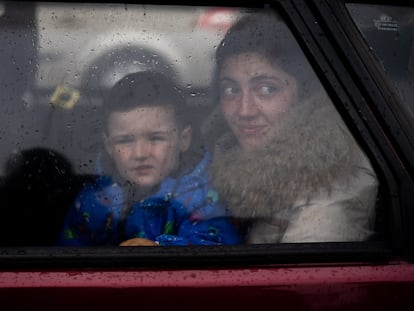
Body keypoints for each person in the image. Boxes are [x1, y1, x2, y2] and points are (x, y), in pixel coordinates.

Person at [204, 11, 379, 243]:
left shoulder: (324, 212)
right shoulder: (221, 160)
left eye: (267, 89)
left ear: (304, 95)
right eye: (231, 89)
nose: (245, 111)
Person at [57, 70, 241, 246]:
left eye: (156, 138)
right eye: (125, 140)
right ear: (108, 145)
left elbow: (215, 251)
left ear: (183, 140)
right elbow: (69, 260)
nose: (141, 153)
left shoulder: (205, 197)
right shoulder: (94, 200)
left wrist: (157, 252)